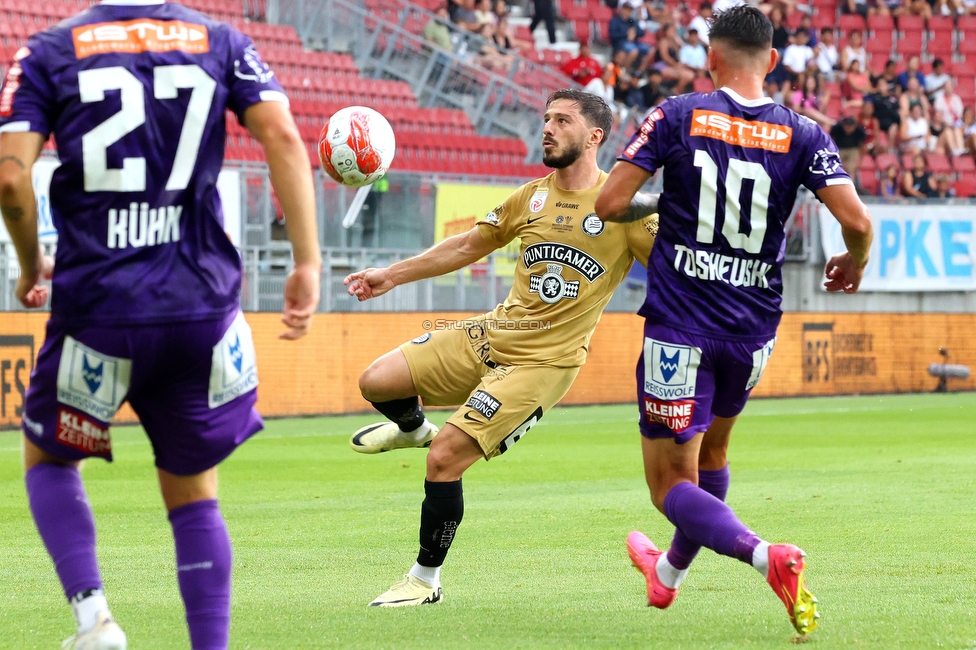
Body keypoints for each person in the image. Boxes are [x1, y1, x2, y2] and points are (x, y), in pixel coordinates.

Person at [0, 1, 322, 648]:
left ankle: (95, 621)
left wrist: (32, 264)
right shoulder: (221, 39)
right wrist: (307, 262)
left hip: (100, 304)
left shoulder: (49, 49)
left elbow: (10, 181)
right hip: (200, 304)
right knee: (194, 490)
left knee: (50, 458)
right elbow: (284, 136)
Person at [594, 5, 872, 637]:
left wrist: (669, 197)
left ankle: (764, 555)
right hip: (753, 331)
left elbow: (610, 203)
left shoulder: (678, 113)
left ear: (710, 57)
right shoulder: (804, 134)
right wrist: (852, 262)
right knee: (714, 450)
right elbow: (857, 223)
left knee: (668, 482)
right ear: (771, 61)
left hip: (680, 327)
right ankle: (666, 576)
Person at [344, 89, 659, 608]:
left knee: (446, 460)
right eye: (546, 119)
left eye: (562, 120)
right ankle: (412, 428)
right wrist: (391, 276)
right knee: (376, 380)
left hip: (543, 364)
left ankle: (424, 579)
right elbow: (469, 245)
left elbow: (673, 276)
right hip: (490, 334)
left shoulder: (624, 210)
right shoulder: (531, 197)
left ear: (595, 136)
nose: (548, 128)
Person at [610, 4, 651, 70]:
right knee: (634, 51)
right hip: (621, 42)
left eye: (630, 10)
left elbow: (642, 33)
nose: (628, 12)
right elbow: (612, 34)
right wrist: (626, 34)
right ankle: (626, 70)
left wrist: (635, 32)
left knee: (650, 50)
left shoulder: (631, 21)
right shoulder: (616, 20)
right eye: (626, 10)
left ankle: (639, 71)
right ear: (622, 10)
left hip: (634, 43)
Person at [831, 116, 868, 183]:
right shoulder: (836, 128)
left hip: (853, 149)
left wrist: (860, 160)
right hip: (839, 148)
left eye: (850, 127)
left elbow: (862, 145)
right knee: (837, 167)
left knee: (851, 167)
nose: (848, 129)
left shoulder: (859, 131)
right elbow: (832, 141)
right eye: (847, 127)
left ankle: (851, 185)